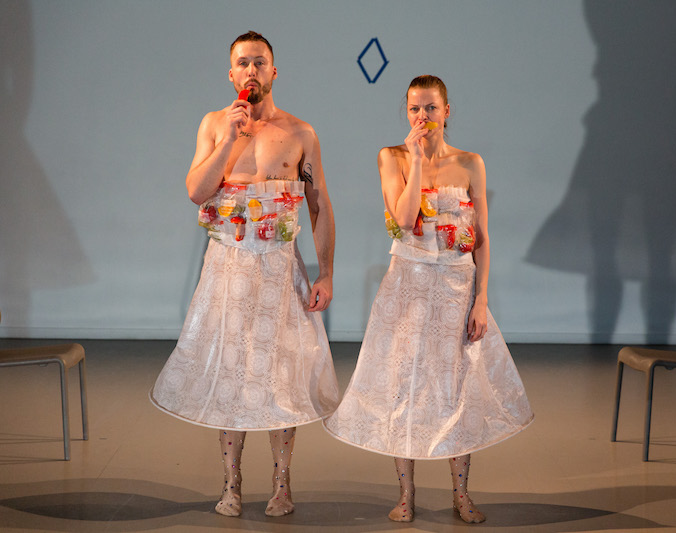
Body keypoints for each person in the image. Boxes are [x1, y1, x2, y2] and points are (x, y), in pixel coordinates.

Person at [324, 75, 533, 524]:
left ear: (447, 111)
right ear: (406, 113)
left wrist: (481, 299)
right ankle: (406, 495)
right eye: (415, 109)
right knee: (405, 387)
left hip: (457, 289)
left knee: (458, 389)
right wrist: (416, 160)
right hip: (409, 288)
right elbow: (402, 221)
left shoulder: (470, 163)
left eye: (431, 109)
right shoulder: (392, 157)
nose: (423, 117)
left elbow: (481, 238)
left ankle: (462, 495)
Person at [150, 31, 338, 519]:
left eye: (260, 62)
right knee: (232, 373)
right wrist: (231, 138)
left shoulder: (300, 133)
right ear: (231, 74)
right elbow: (196, 189)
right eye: (242, 63)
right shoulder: (215, 125)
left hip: (280, 268)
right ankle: (231, 483)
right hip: (228, 267)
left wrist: (327, 273)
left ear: (274, 72)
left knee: (281, 375)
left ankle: (282, 483)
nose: (251, 70)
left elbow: (318, 206)